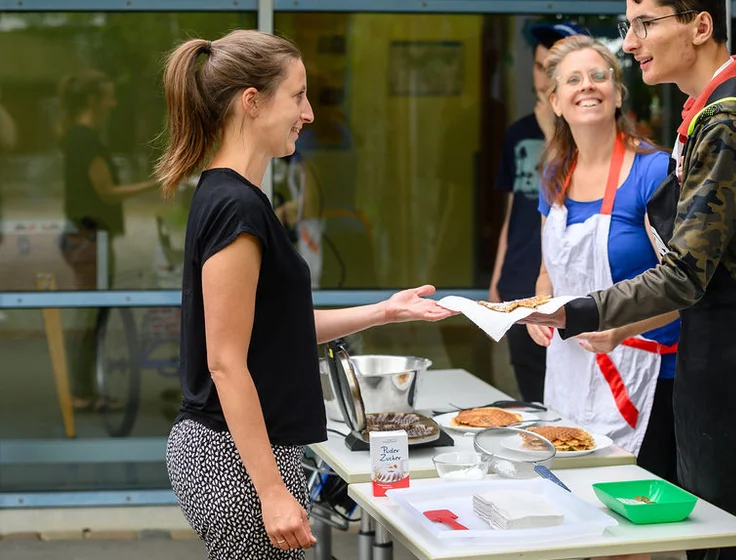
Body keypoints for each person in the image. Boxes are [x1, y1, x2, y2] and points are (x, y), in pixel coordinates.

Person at [522, 2, 736, 559]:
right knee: (727, 530)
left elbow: (682, 275)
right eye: (629, 27)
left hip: (732, 353)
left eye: (645, 24)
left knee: (724, 537)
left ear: (700, 27)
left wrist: (573, 311)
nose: (630, 43)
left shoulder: (728, 120)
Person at [156, 30, 453, 559]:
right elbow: (225, 362)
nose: (309, 113)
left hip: (240, 454)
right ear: (252, 101)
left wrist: (385, 311)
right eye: (297, 96)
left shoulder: (236, 197)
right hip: (233, 460)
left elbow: (276, 329)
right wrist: (272, 492)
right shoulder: (236, 206)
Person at [527, 35, 681, 482]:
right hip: (571, 372)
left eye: (598, 76)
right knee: (572, 500)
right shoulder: (554, 174)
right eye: (573, 80)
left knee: (629, 512)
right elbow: (547, 272)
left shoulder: (653, 171)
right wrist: (539, 308)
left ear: (617, 93)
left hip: (649, 376)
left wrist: (622, 328)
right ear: (555, 102)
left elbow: (688, 285)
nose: (587, 86)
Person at [489, 21, 584, 403]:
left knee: (569, 403)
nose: (544, 79)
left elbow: (575, 193)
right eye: (539, 66)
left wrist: (550, 132)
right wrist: (498, 276)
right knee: (530, 398)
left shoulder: (587, 132)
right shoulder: (517, 133)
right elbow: (514, 208)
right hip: (520, 282)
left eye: (553, 68)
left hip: (567, 291)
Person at [57, 70, 158, 411]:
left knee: (91, 313)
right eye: (109, 97)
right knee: (89, 315)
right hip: (90, 238)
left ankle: (85, 389)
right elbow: (107, 192)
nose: (113, 104)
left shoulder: (78, 137)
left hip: (85, 236)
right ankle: (82, 392)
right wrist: (155, 184)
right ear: (93, 100)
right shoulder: (86, 140)